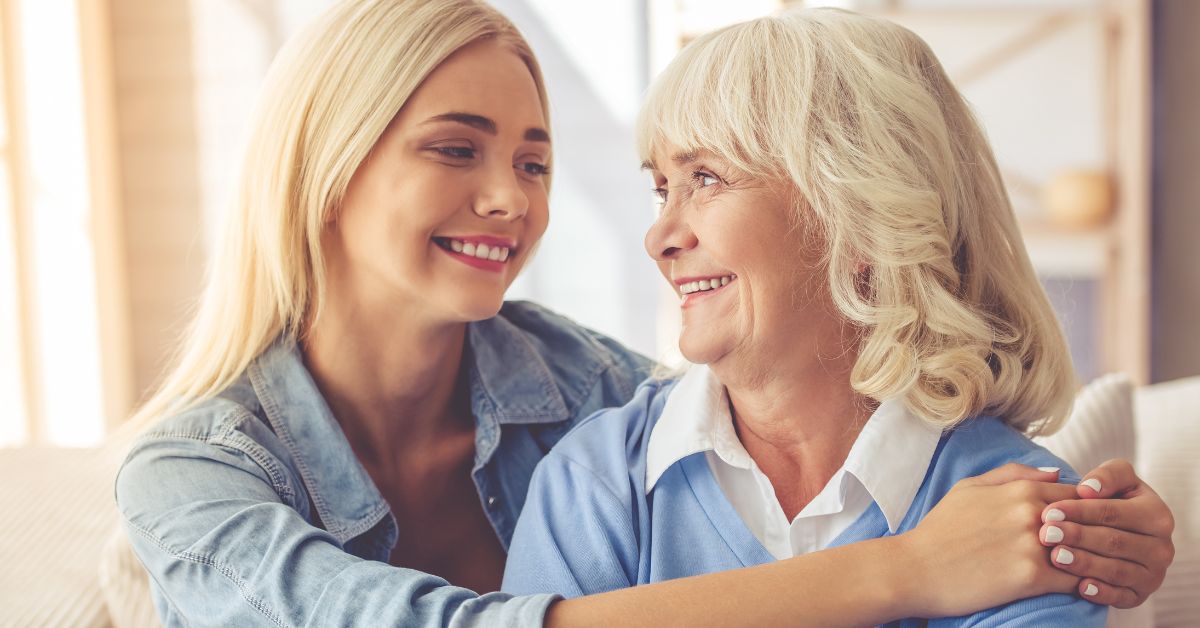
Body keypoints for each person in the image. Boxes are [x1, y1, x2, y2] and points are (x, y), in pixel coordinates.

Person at [114, 1, 1175, 626]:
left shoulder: (586, 399)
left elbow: (793, 403)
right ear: (324, 170)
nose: (513, 200)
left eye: (535, 161)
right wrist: (910, 571)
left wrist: (1103, 515)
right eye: (456, 148)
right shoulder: (195, 473)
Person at [502, 7, 1173, 626]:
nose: (660, 239)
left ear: (859, 216)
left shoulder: (1024, 520)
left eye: (705, 177)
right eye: (661, 189)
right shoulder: (593, 483)